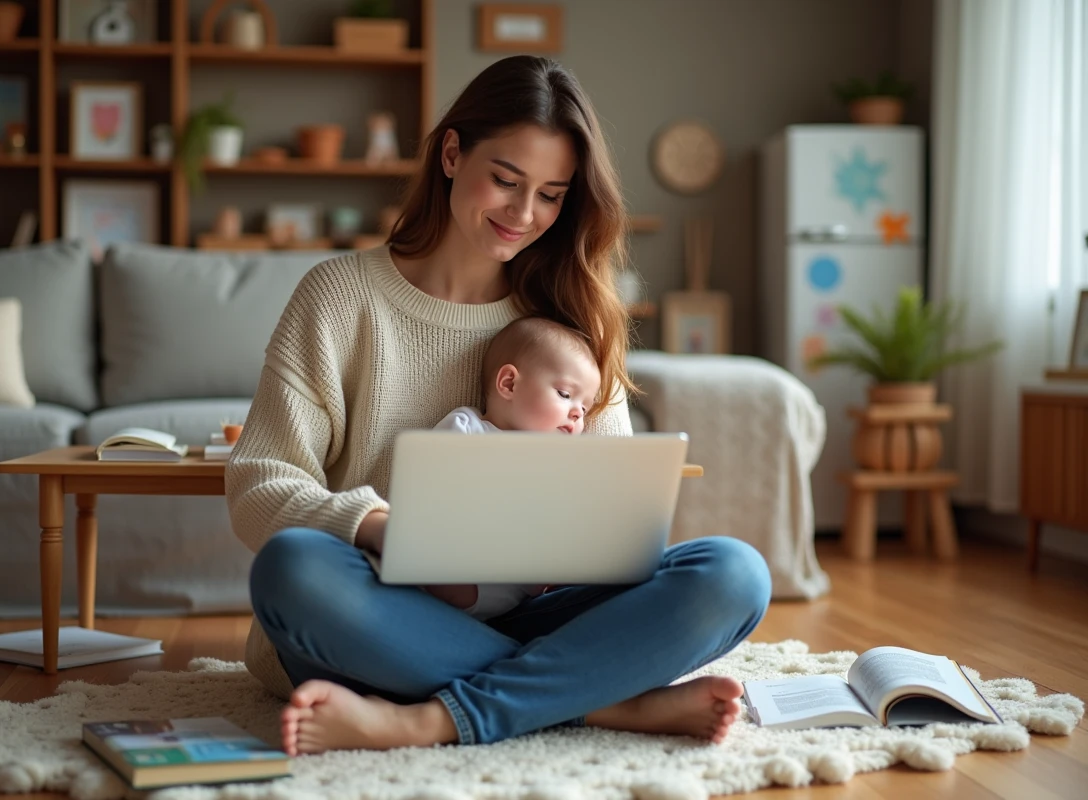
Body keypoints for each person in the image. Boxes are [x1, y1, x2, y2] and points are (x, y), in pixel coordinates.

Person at [226, 54, 772, 758]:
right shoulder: (338, 298)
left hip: (533, 614)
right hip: (384, 619)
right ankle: (597, 698)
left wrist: (571, 552)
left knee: (733, 575)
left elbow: (611, 510)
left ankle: (427, 718)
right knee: (293, 569)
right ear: (452, 154)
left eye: (551, 194)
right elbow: (258, 485)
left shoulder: (572, 319)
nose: (524, 214)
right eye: (506, 181)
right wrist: (385, 529)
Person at [424, 315, 601, 619]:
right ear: (509, 384)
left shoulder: (559, 462)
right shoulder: (467, 427)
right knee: (439, 577)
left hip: (520, 592)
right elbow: (432, 486)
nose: (576, 415)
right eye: (565, 395)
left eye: (584, 409)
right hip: (464, 568)